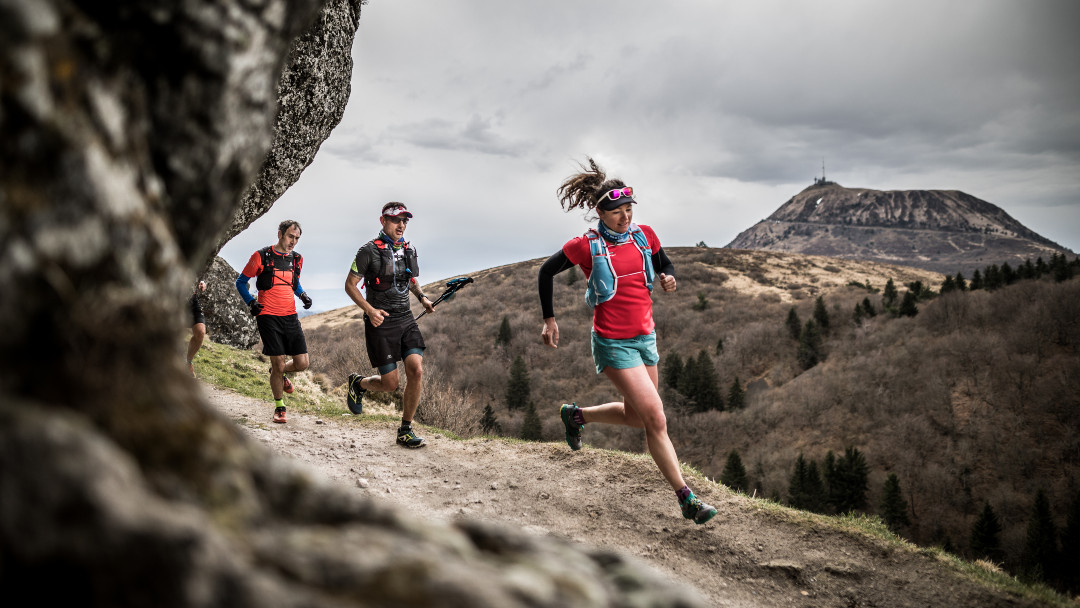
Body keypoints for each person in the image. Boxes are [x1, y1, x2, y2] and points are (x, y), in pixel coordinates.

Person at [538, 158, 718, 525]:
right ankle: (686, 498)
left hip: (645, 338)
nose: (625, 216)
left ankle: (576, 416)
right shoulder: (584, 246)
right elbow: (545, 272)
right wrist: (549, 319)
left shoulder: (644, 235)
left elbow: (665, 264)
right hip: (612, 342)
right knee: (655, 416)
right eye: (617, 211)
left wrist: (669, 278)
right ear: (600, 213)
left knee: (637, 417)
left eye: (628, 209)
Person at [344, 202, 434, 448]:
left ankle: (405, 429)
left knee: (416, 369)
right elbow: (350, 285)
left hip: (405, 318)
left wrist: (423, 298)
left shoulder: (408, 248)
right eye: (396, 220)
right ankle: (358, 383)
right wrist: (370, 310)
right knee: (390, 383)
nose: (401, 225)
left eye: (405, 220)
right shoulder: (368, 251)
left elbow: (410, 278)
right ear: (383, 221)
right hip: (380, 321)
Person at [235, 219, 313, 424]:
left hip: (290, 316)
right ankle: (280, 407)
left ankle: (278, 372)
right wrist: (251, 302)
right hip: (267, 316)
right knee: (278, 362)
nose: (293, 242)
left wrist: (303, 295)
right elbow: (241, 282)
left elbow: (294, 282)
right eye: (290, 236)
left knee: (302, 363)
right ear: (279, 233)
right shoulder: (260, 256)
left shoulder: (297, 259)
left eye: (297, 238)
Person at [186, 280, 207, 377]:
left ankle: (188, 362)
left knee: (200, 332)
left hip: (192, 300)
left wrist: (202, 282)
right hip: (172, 295)